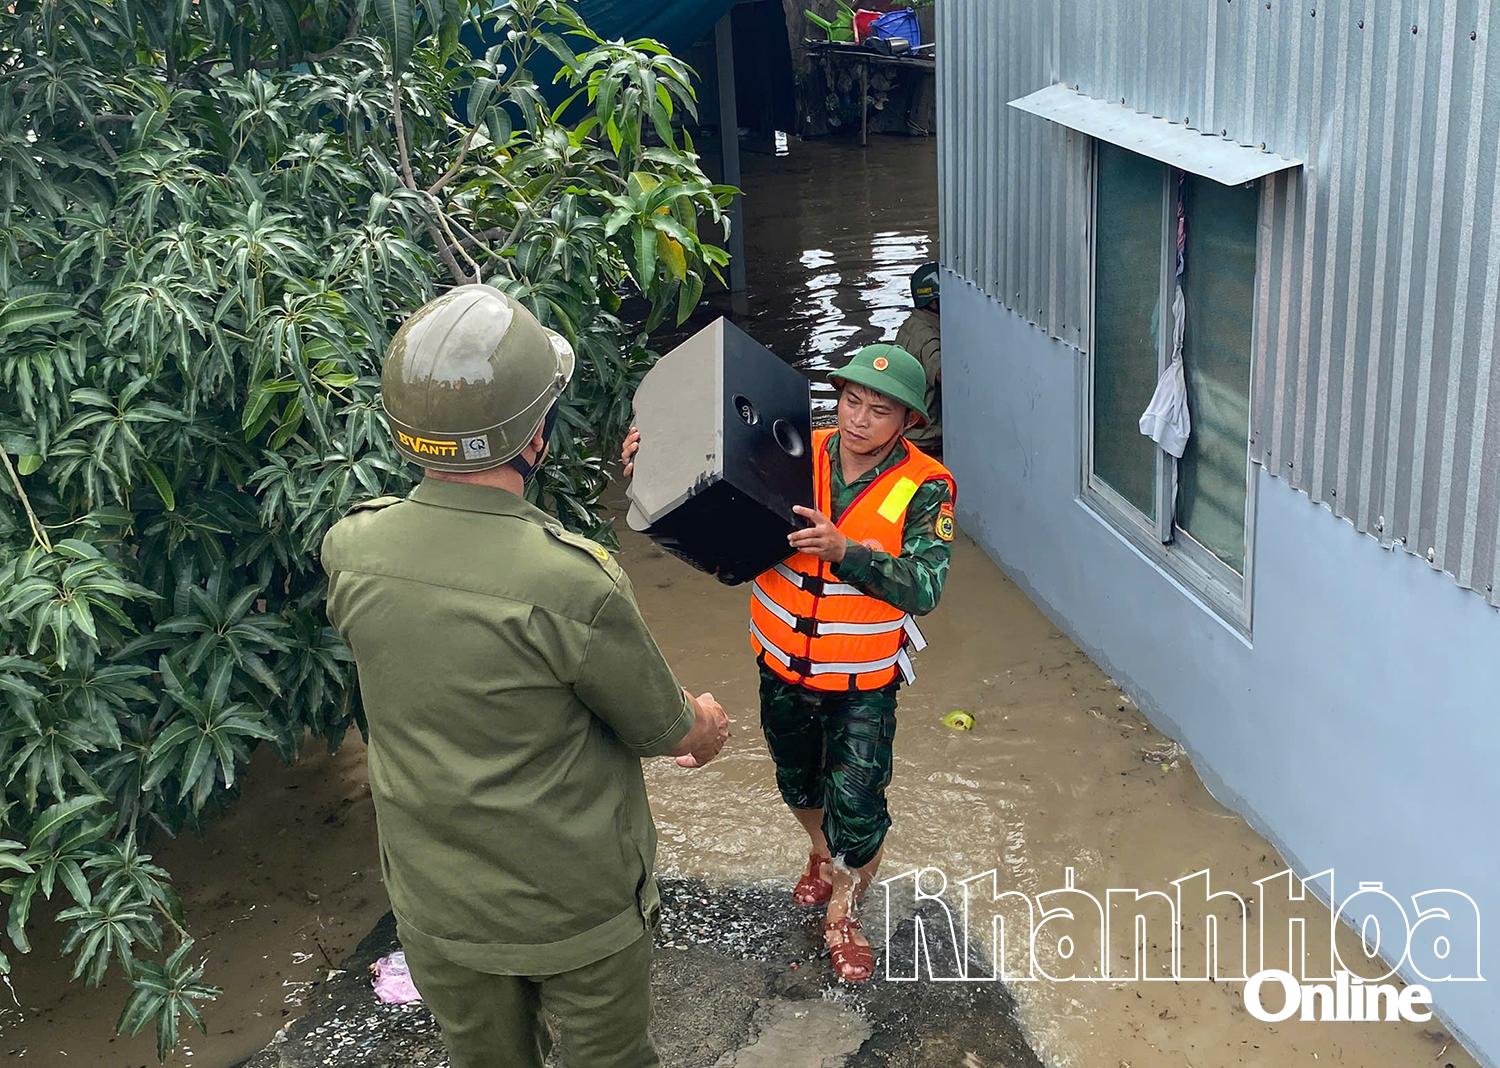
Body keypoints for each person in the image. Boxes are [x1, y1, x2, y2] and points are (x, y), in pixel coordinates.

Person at [322, 284, 730, 1068]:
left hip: (437, 905)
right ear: (535, 435)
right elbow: (670, 732)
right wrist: (706, 722)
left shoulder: (352, 550)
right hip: (572, 914)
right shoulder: (575, 584)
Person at [622, 342, 955, 983]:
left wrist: (845, 551)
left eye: (879, 411)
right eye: (850, 401)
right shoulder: (791, 448)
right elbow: (706, 504)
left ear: (909, 422)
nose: (858, 419)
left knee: (859, 807)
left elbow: (928, 587)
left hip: (862, 683)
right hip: (783, 668)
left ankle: (843, 909)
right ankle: (819, 849)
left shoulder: (927, 488)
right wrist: (647, 467)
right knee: (797, 784)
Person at [894, 261, 942, 453]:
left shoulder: (910, 325)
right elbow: (942, 374)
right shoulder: (928, 336)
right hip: (926, 441)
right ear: (933, 302)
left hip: (906, 431)